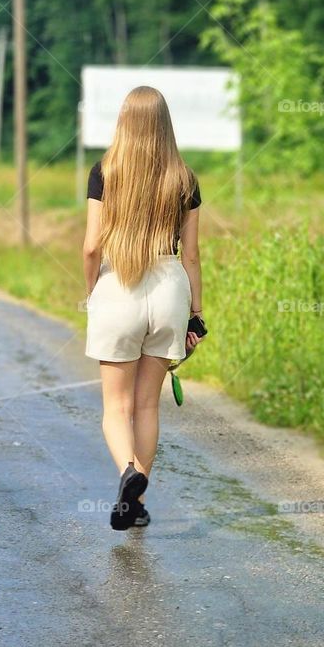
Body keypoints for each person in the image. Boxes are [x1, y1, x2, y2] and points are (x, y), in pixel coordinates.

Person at [82, 85, 205, 531]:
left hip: (120, 285)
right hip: (170, 287)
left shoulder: (105, 172)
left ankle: (127, 473)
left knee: (115, 408)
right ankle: (138, 500)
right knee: (146, 407)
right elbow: (191, 255)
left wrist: (91, 292)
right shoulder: (185, 179)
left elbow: (92, 246)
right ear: (165, 125)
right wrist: (195, 314)